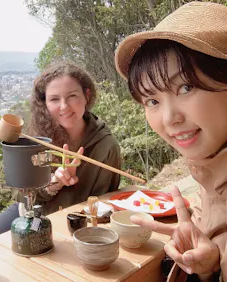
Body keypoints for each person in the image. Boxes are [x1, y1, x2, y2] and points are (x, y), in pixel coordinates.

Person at [114, 2, 227, 281]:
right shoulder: (209, 168)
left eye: (186, 87)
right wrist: (210, 267)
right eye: (152, 100)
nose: (169, 119)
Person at [0, 62, 121, 239]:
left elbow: (102, 207)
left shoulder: (106, 147)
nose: (64, 106)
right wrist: (54, 183)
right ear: (45, 104)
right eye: (54, 99)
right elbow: (23, 197)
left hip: (71, 226)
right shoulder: (39, 139)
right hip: (28, 214)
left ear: (86, 95)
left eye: (72, 96)